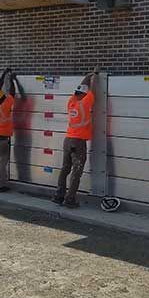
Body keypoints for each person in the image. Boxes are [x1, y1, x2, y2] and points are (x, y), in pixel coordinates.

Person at [53, 67, 100, 208]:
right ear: (84, 95)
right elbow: (92, 90)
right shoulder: (85, 103)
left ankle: (58, 196)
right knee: (76, 171)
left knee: (65, 169)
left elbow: (83, 88)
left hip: (67, 140)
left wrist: (87, 76)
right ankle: (70, 199)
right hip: (78, 142)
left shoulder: (71, 103)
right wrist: (95, 75)